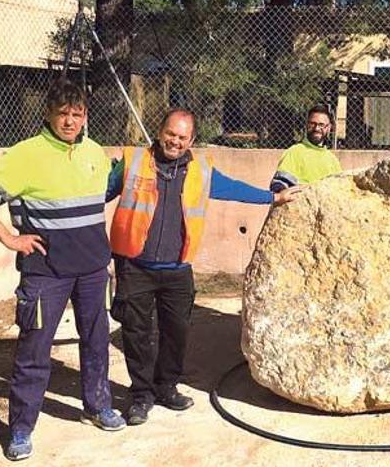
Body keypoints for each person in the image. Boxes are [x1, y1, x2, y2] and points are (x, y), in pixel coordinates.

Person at [0, 78, 125, 461]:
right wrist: (9, 238)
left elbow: (102, 193)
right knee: (34, 350)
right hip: (46, 273)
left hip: (93, 271)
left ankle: (98, 406)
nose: (70, 121)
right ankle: (21, 428)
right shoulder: (26, 154)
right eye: (62, 113)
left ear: (85, 116)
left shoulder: (94, 152)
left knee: (96, 340)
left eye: (77, 114)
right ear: (48, 114)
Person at [107, 108, 299, 426]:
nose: (175, 141)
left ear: (192, 139)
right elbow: (95, 194)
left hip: (177, 269)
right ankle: (141, 395)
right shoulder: (132, 162)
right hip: (135, 266)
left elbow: (235, 189)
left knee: (176, 332)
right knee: (137, 333)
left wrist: (272, 198)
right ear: (159, 132)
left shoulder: (202, 171)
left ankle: (166, 387)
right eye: (171, 134)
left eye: (182, 137)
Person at [270, 103, 342, 192]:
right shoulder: (294, 152)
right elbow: (279, 187)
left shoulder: (333, 160)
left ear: (329, 128)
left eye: (321, 125)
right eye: (313, 123)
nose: (316, 128)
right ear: (307, 124)